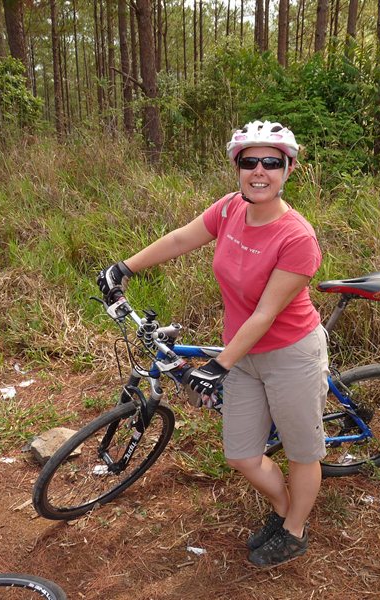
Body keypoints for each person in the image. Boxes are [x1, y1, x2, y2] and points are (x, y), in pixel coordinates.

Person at [98, 120, 329, 567]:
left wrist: (219, 364)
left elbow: (265, 314)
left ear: (289, 168)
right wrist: (124, 268)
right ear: (237, 166)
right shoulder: (228, 210)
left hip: (289, 354)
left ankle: (295, 529)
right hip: (240, 354)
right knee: (242, 454)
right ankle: (283, 510)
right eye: (249, 161)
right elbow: (182, 238)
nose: (259, 171)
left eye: (271, 162)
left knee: (303, 451)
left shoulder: (297, 237)